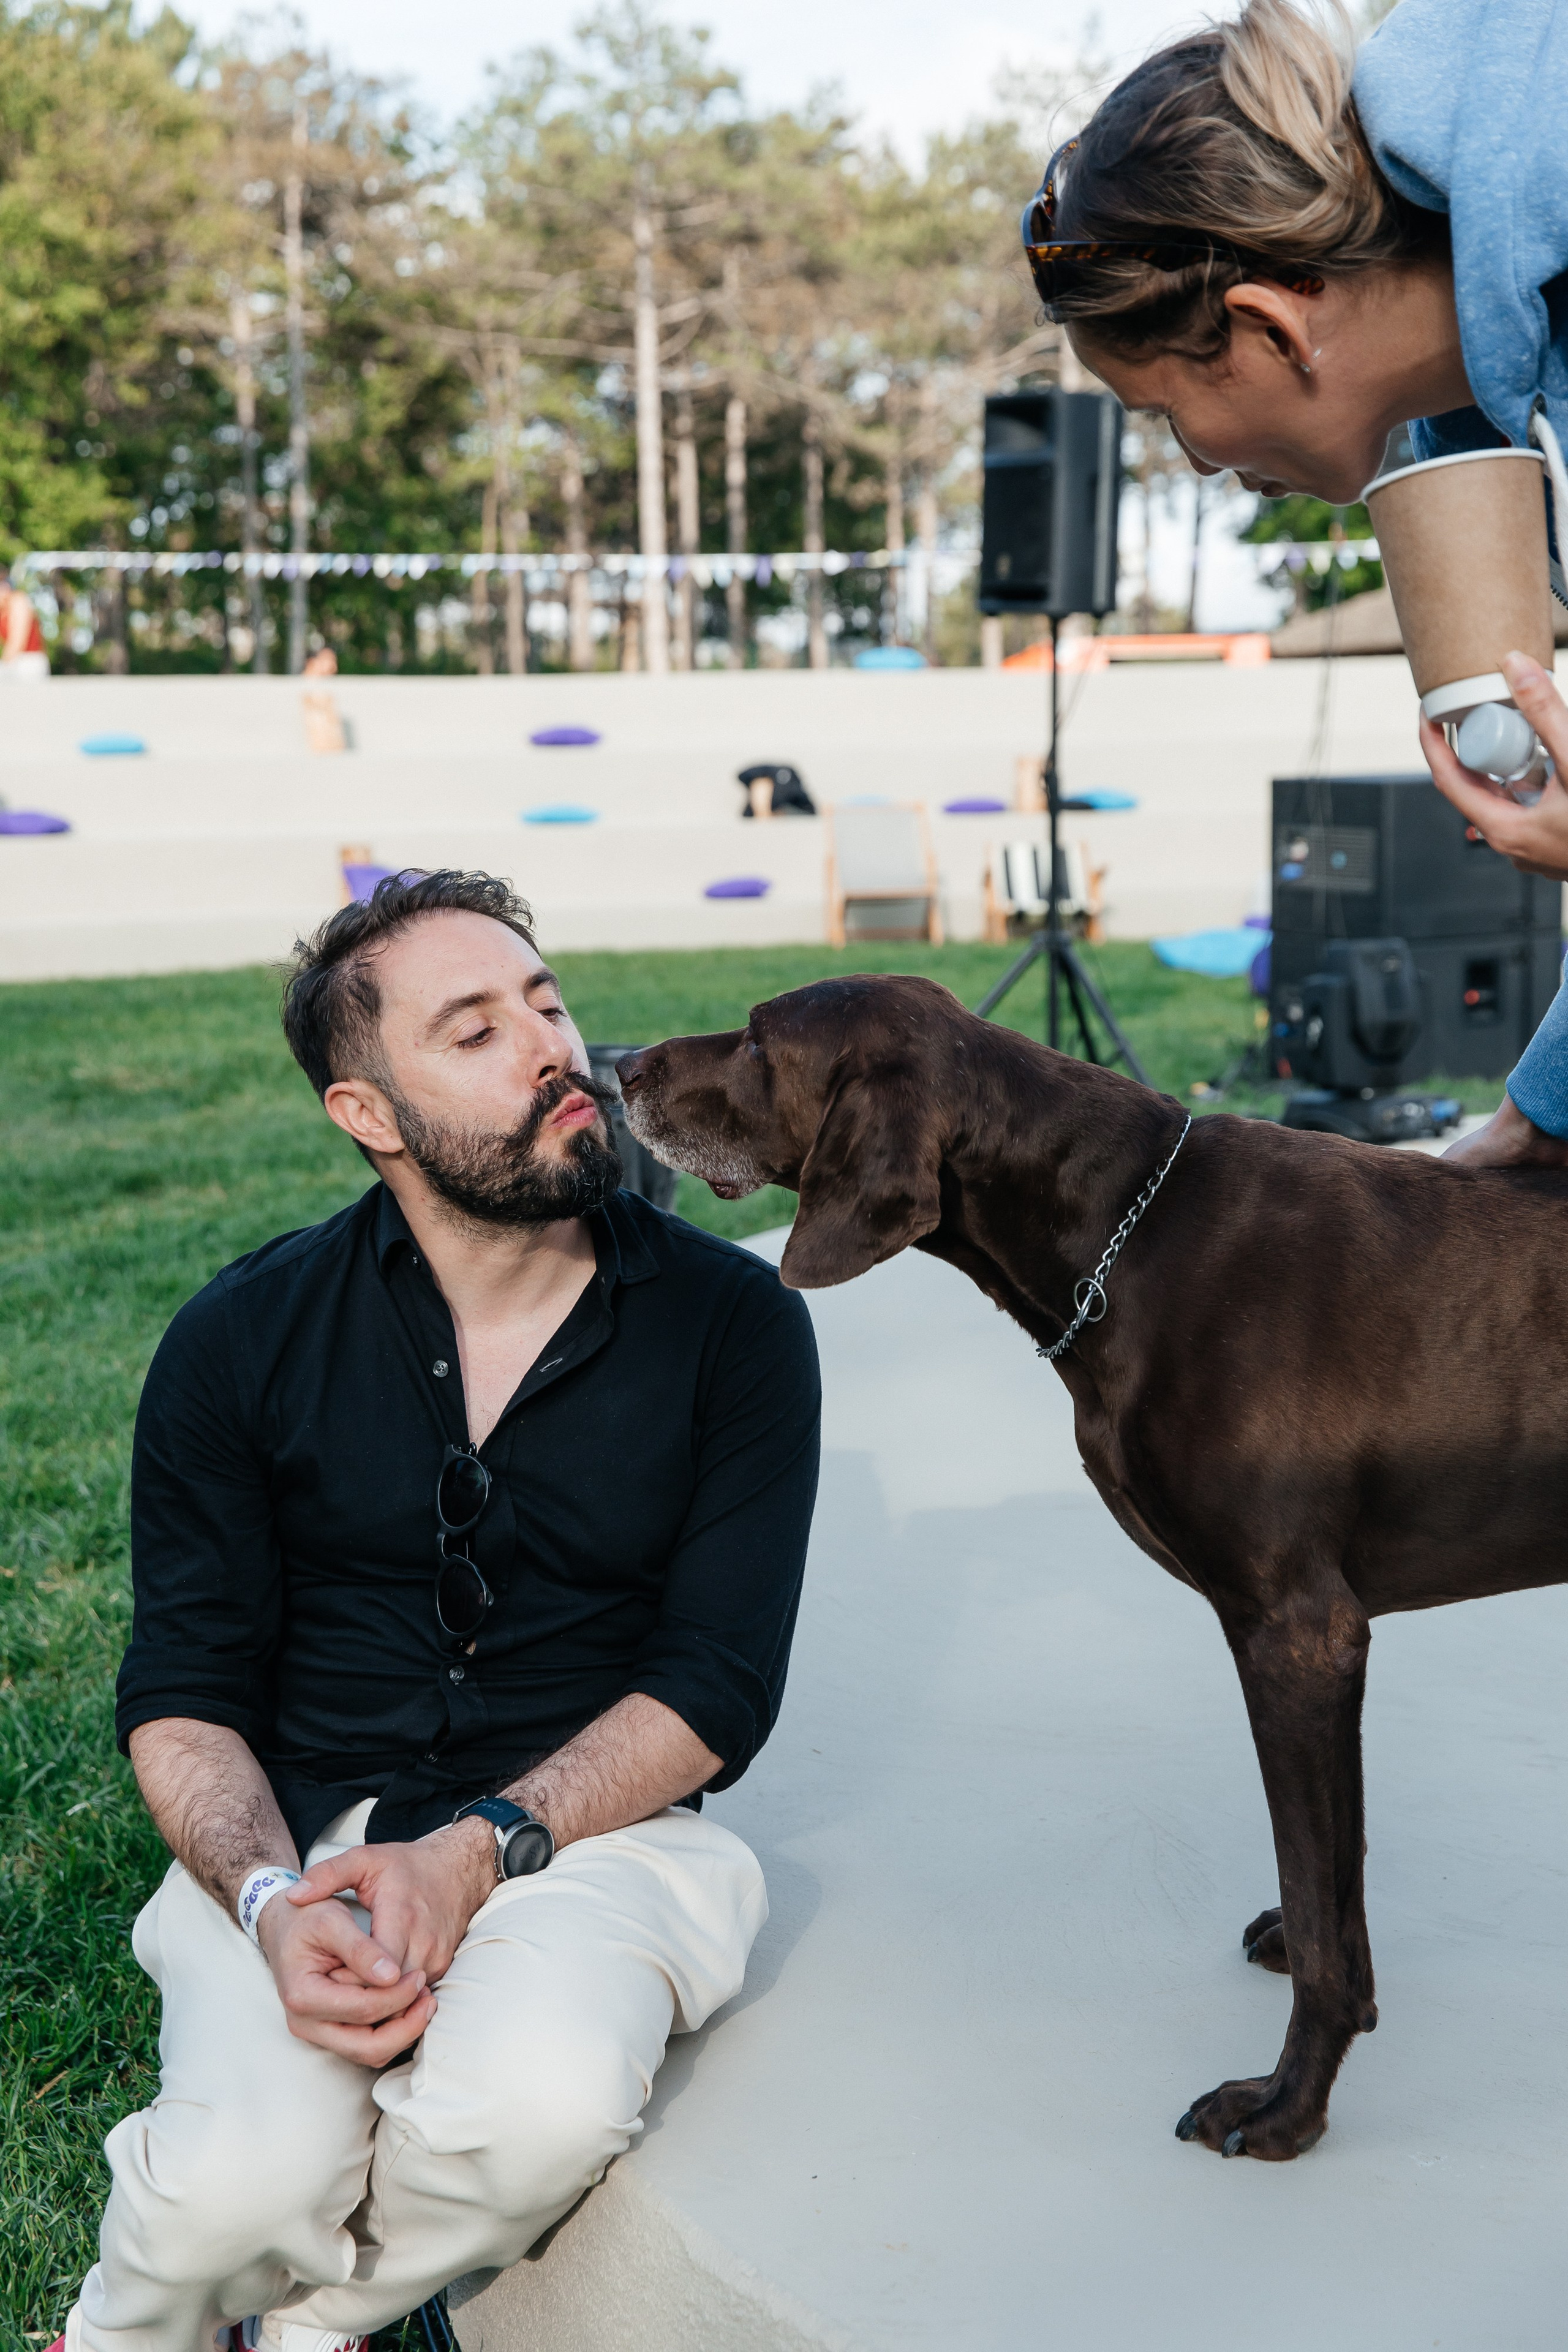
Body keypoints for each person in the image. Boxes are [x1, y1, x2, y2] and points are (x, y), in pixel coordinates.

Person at [58, 868, 821, 2352]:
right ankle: (125, 2328)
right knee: (229, 2181)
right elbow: (184, 1682)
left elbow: (717, 1680)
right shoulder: (238, 1335)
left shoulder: (735, 1327)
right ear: (369, 1112)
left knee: (534, 2106)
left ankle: (308, 2328)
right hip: (304, 1828)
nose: (550, 1047)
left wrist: (477, 1852)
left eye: (545, 1000)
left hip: (589, 1835)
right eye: (472, 1030)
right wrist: (272, 1901)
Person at [1020, 0, 1568, 1167]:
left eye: (1170, 413)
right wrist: (1541, 1117)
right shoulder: (1502, 386)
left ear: (1269, 325)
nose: (1200, 464)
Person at [0, 563, 50, 679]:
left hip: (29, 663)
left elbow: (17, 643)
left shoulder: (18, 601)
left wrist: (4, 666)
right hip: (15, 663)